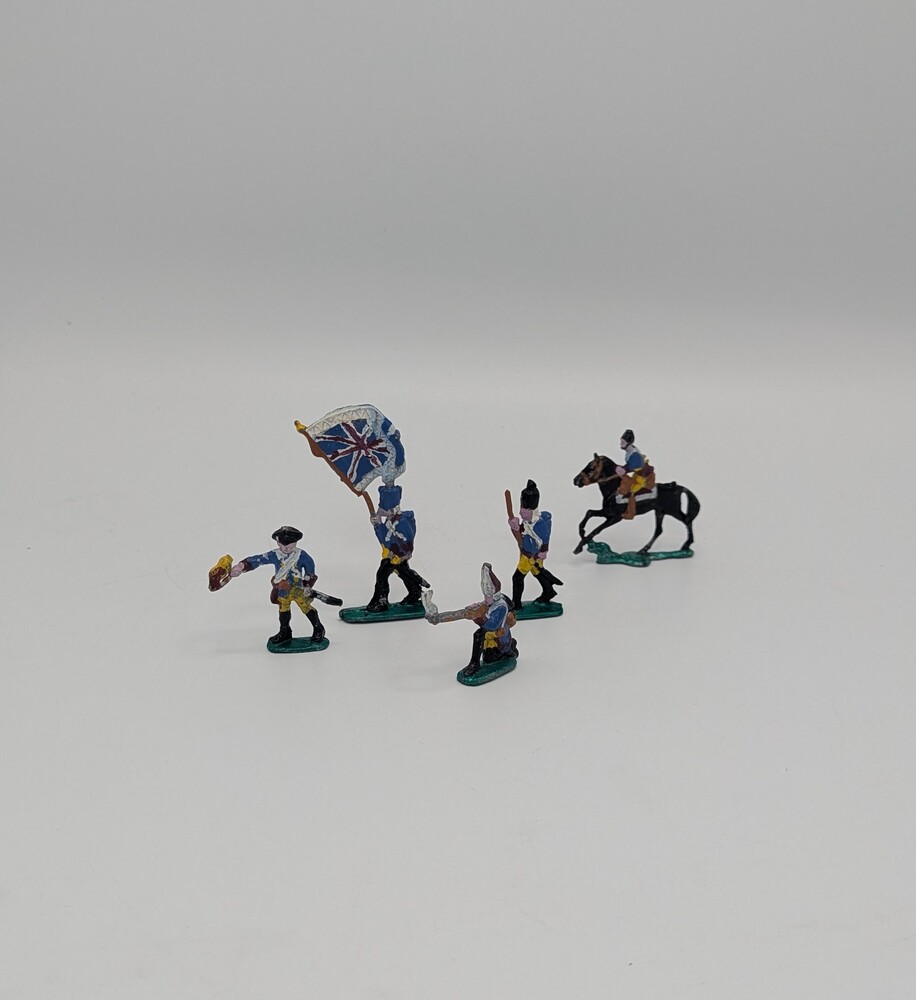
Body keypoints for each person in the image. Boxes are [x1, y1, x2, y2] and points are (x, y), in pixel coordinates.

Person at [230, 526, 325, 646]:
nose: (286, 549)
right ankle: (285, 631)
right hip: (282, 589)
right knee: (283, 609)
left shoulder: (302, 555)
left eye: (290, 546)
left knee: (305, 607)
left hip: (298, 589)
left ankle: (318, 628)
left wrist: (307, 586)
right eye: (283, 546)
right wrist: (241, 566)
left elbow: (310, 572)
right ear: (278, 543)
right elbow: (259, 559)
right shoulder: (275, 554)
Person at [425, 563, 518, 681]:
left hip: (499, 638)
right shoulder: (489, 603)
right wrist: (438, 618)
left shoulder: (501, 607)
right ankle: (505, 650)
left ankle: (480, 661)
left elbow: (492, 625)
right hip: (493, 635)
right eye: (485, 595)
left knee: (483, 644)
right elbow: (463, 613)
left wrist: (479, 617)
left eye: (488, 596)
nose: (486, 598)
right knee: (482, 641)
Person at [364, 484, 427, 613]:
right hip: (391, 554)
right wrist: (377, 524)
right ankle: (415, 591)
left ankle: (382, 601)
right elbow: (384, 538)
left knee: (382, 575)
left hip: (397, 556)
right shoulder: (389, 520)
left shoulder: (402, 522)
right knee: (403, 573)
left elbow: (408, 540)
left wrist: (400, 555)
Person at [508, 479, 563, 608]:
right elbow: (522, 535)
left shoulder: (539, 523)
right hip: (527, 553)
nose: (521, 513)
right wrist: (515, 527)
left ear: (532, 510)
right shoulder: (527, 522)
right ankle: (549, 591)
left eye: (524, 510)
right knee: (538, 573)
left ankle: (516, 604)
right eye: (521, 509)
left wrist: (543, 551)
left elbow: (545, 538)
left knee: (517, 578)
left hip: (532, 555)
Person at [615, 429, 656, 520]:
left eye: (623, 442)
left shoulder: (634, 455)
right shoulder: (629, 451)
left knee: (631, 492)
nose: (620, 443)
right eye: (621, 441)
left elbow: (635, 465)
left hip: (644, 478)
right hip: (638, 476)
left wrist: (624, 469)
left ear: (628, 443)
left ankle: (630, 513)